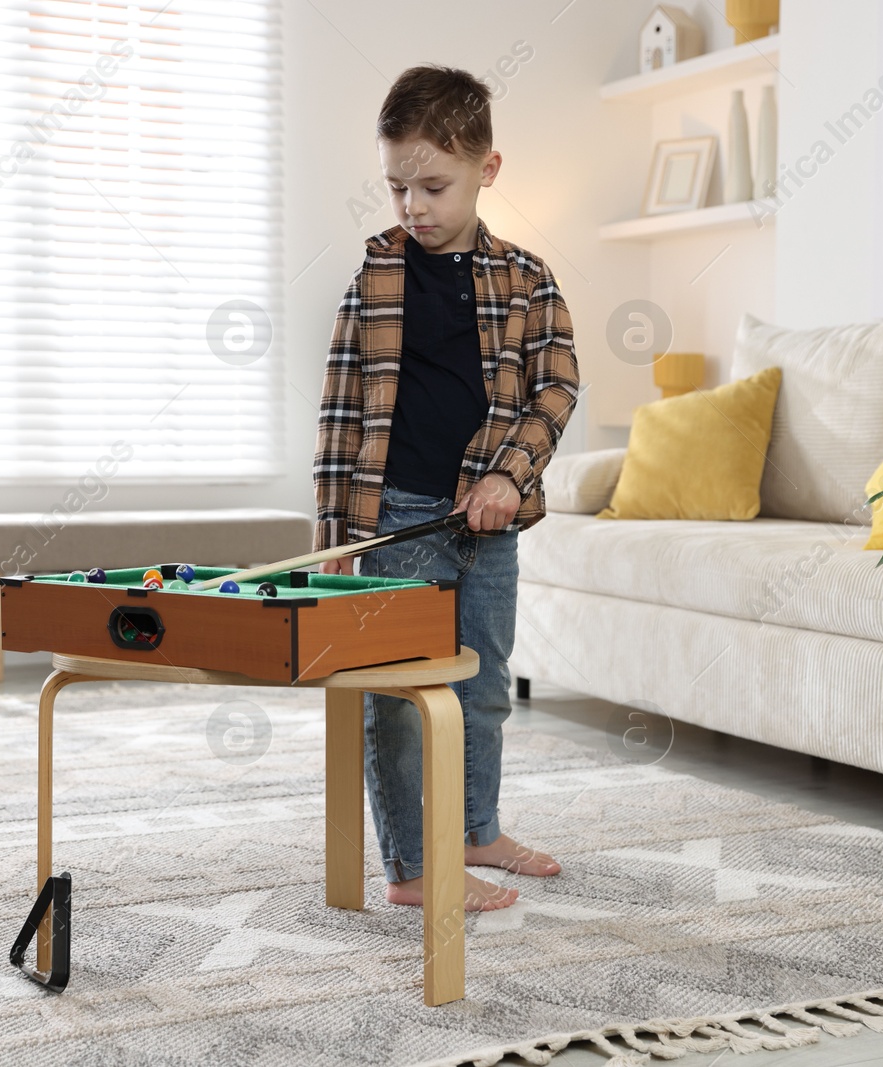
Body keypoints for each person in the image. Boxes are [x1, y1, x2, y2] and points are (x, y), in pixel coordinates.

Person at [312, 64, 580, 911]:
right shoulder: (375, 281)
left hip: (485, 526)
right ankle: (412, 868)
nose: (413, 206)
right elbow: (341, 413)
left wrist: (511, 473)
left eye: (434, 185)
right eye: (398, 188)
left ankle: (475, 830)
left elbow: (557, 387)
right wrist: (331, 544)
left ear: (486, 170)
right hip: (395, 519)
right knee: (395, 697)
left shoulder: (529, 279)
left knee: (482, 684)